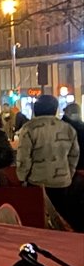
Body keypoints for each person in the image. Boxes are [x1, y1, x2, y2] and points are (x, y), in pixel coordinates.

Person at [16, 96, 80, 227]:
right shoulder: (67, 128)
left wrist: (22, 178)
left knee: (41, 219)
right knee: (62, 218)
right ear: (55, 109)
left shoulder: (29, 128)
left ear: (36, 109)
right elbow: (74, 155)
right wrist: (69, 173)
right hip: (63, 181)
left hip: (37, 181)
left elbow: (24, 157)